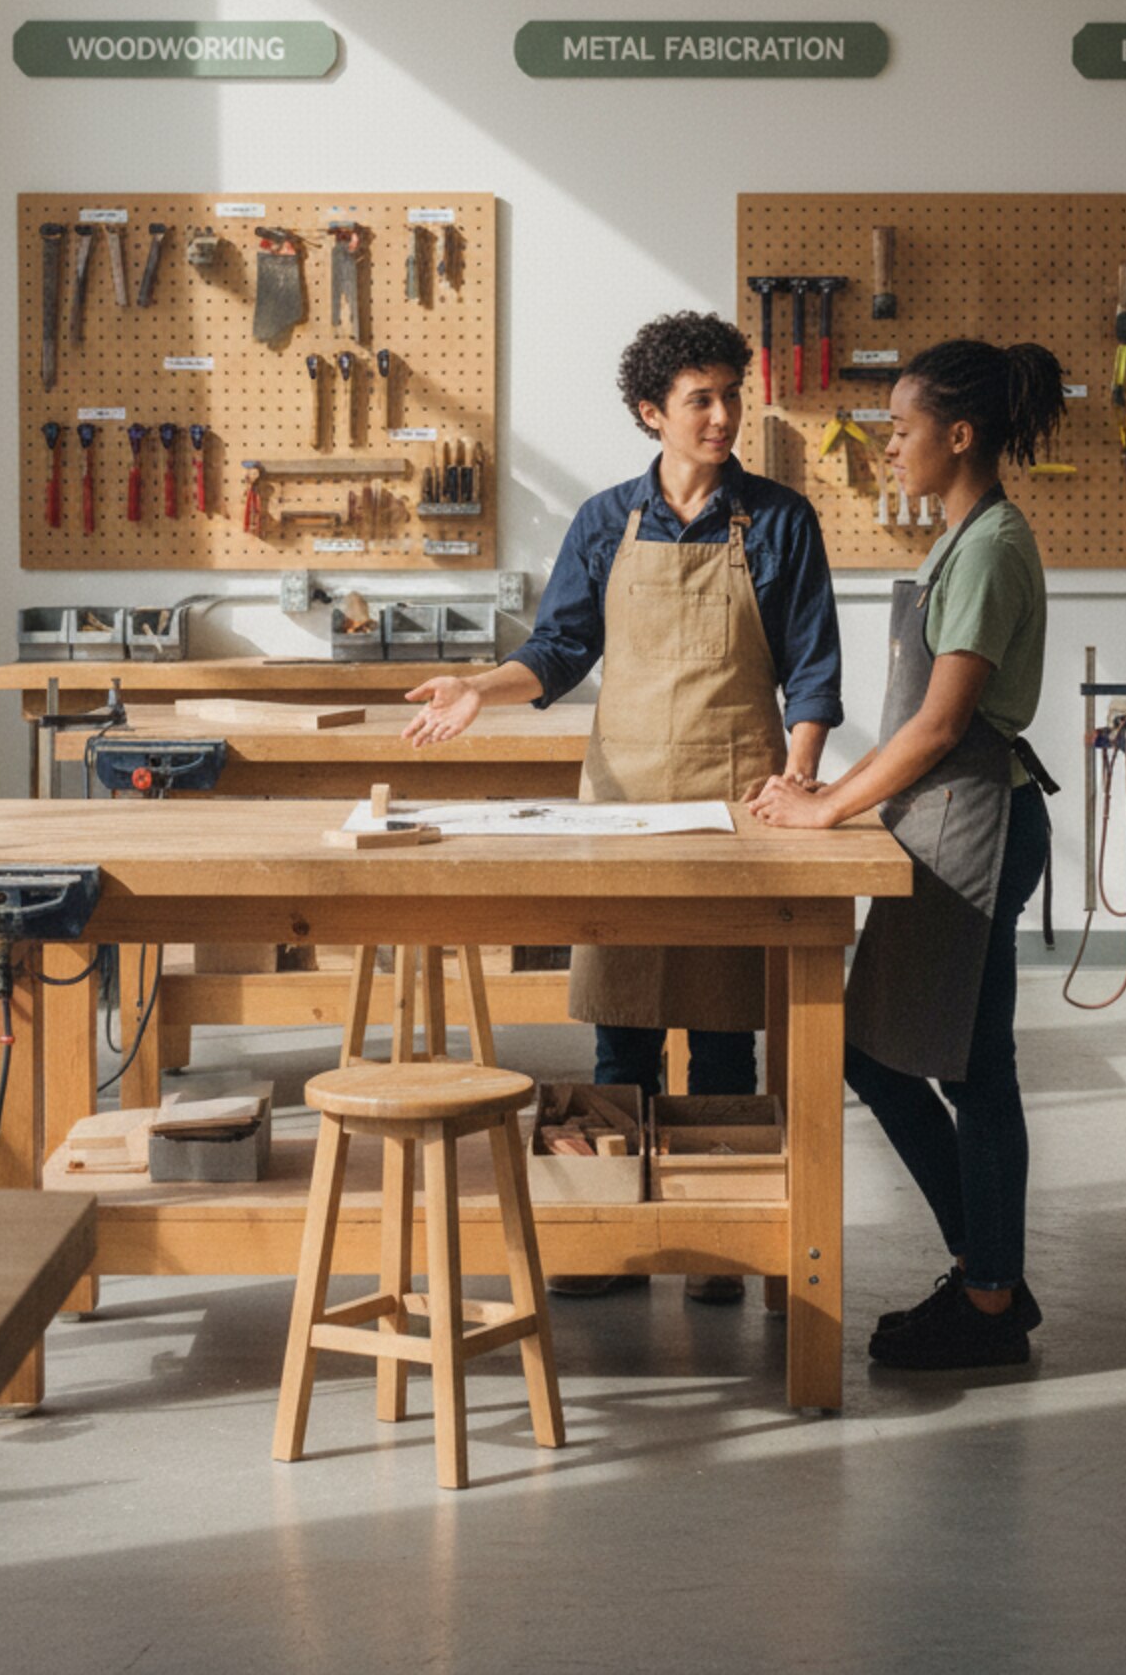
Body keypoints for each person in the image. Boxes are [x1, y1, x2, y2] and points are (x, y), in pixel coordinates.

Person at [402, 310, 843, 1302]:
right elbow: (558, 650)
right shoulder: (607, 521)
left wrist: (800, 772)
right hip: (623, 801)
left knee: (725, 1026)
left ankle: (719, 1240)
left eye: (731, 395)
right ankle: (614, 1238)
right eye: (700, 399)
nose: (722, 416)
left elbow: (813, 667)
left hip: (737, 798)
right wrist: (480, 687)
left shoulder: (778, 520)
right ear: (651, 412)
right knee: (622, 1022)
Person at [750, 338, 1065, 1368]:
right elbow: (917, 728)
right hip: (942, 822)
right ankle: (986, 1274)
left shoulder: (990, 546)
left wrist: (826, 811)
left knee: (971, 1072)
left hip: (974, 827)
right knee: (889, 1053)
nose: (888, 446)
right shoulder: (961, 539)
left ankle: (988, 1298)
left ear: (957, 436)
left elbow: (938, 725)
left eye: (900, 428)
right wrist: (829, 793)